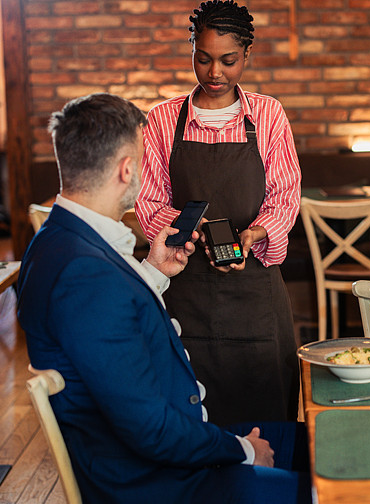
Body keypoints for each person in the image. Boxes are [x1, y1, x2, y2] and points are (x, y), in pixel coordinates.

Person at [17, 93, 370, 504]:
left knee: (344, 448)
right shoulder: (82, 274)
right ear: (126, 169)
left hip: (177, 454)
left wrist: (153, 272)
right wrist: (240, 450)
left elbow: (116, 325)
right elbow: (150, 430)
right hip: (168, 494)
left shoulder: (63, 242)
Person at [136, 0, 301, 425]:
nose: (215, 73)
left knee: (267, 415)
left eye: (228, 61)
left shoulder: (267, 115)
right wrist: (186, 228)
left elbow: (285, 196)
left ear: (247, 54)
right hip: (182, 289)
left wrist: (256, 233)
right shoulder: (162, 119)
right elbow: (149, 202)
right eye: (203, 58)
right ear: (192, 49)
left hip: (255, 297)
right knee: (189, 416)